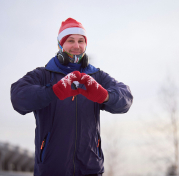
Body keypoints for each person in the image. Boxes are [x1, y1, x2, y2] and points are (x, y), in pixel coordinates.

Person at [11, 18, 133, 176]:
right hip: (51, 170)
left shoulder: (97, 77)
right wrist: (53, 91)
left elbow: (127, 99)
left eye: (81, 41)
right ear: (60, 45)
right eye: (70, 40)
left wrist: (106, 96)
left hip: (91, 170)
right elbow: (18, 97)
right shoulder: (43, 75)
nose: (77, 46)